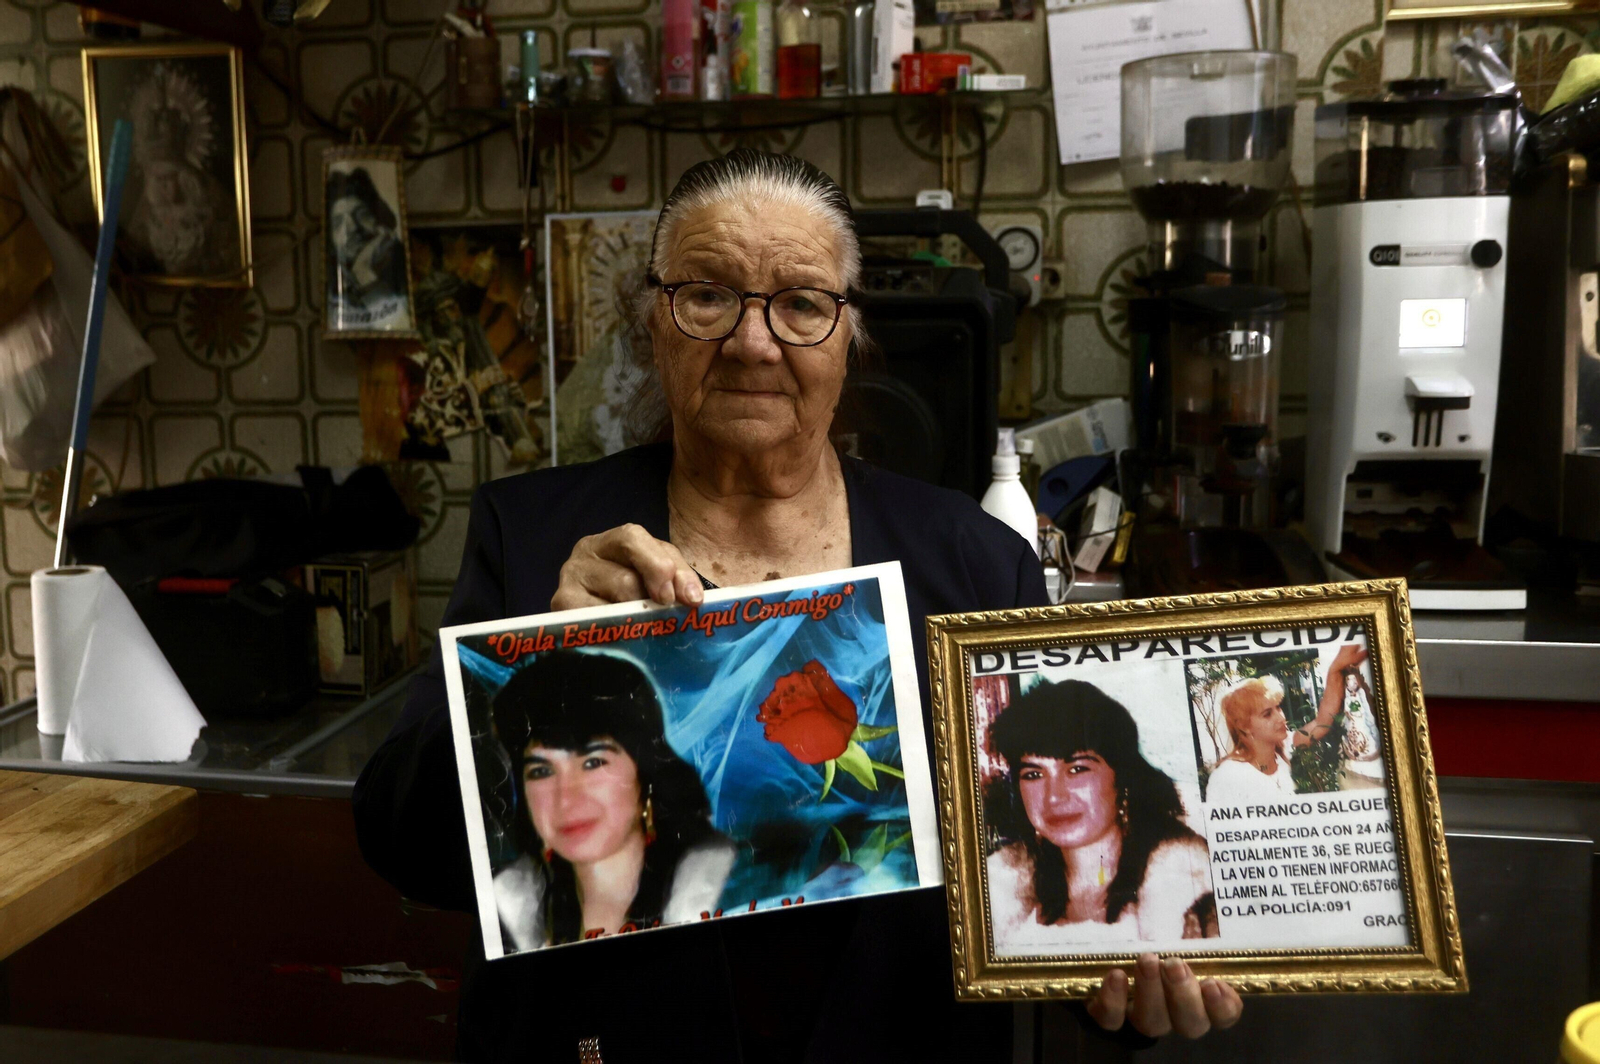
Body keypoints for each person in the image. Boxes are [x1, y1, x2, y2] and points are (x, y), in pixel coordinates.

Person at [353, 148, 1242, 1063]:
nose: (752, 340)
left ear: (850, 334)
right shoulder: (536, 535)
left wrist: (1121, 989)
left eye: (802, 303)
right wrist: (539, 654)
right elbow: (400, 839)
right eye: (707, 294)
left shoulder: (975, 566)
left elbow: (1039, 883)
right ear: (654, 322)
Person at [488, 650, 735, 951]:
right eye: (541, 771)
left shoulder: (730, 894)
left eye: (593, 762)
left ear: (646, 776)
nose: (565, 799)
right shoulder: (507, 914)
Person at [986, 679, 1215, 947]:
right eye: (1034, 774)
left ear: (1123, 777)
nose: (1054, 795)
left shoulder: (1194, 895)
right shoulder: (997, 891)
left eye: (1078, 769)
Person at [1205, 645, 1370, 805]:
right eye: (1267, 714)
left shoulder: (1283, 747)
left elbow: (1322, 721)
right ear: (1244, 726)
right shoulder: (1227, 777)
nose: (1281, 718)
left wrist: (1334, 670)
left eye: (1278, 707)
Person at [326, 165, 409, 329]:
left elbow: (397, 329)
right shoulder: (334, 293)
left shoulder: (403, 273)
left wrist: (363, 271)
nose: (352, 227)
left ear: (381, 224)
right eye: (338, 222)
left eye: (362, 214)